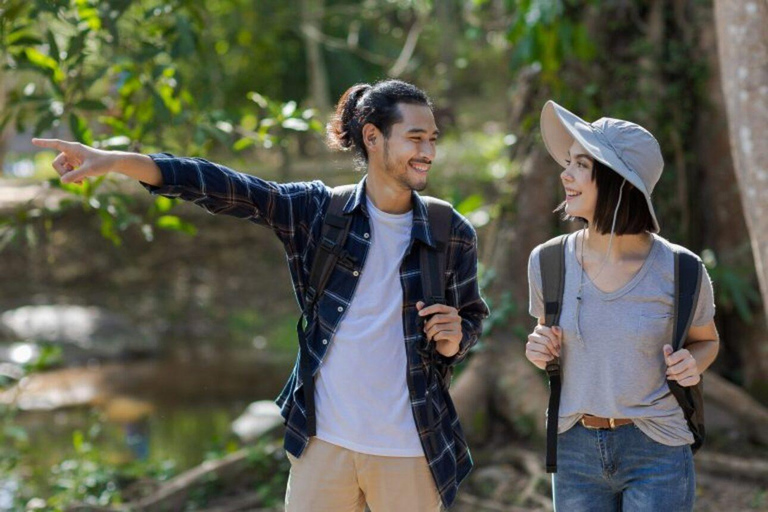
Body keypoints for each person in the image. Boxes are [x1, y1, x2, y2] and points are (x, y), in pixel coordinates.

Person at [32, 79, 489, 512]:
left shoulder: (452, 233)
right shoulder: (318, 212)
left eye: (432, 139)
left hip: (410, 448)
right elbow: (222, 186)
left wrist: (456, 338)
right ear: (372, 137)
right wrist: (114, 161)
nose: (427, 151)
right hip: (322, 445)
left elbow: (471, 318)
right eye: (415, 138)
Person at [524, 100, 719, 511]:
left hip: (657, 447)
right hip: (573, 447)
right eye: (568, 162)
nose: (565, 173)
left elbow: (707, 341)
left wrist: (693, 363)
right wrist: (539, 349)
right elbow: (549, 342)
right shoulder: (548, 261)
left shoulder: (681, 268)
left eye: (581, 165)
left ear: (618, 182)